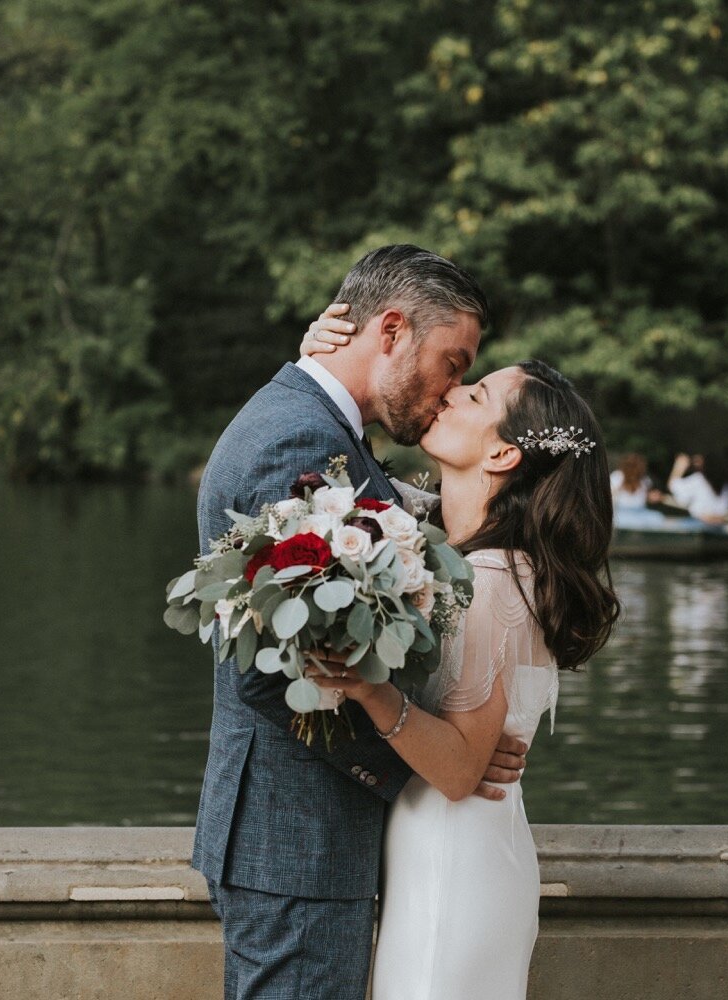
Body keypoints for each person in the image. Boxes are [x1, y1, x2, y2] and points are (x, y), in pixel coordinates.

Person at [194, 246, 532, 1000]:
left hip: (299, 842)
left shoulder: (315, 424)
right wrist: (435, 761)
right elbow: (268, 673)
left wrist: (452, 745)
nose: (451, 390)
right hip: (297, 843)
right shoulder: (300, 439)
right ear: (389, 330)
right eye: (453, 362)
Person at [302, 317, 620, 999]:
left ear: (504, 456)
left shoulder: (497, 579)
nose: (450, 394)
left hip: (453, 857)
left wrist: (367, 689)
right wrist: (320, 358)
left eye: (474, 397)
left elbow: (458, 770)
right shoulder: (463, 559)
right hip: (449, 849)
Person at [667, 451, 728, 524]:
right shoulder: (726, 484)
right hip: (718, 525)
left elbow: (673, 486)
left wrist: (679, 466)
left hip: (699, 523)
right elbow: (722, 511)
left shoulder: (699, 480)